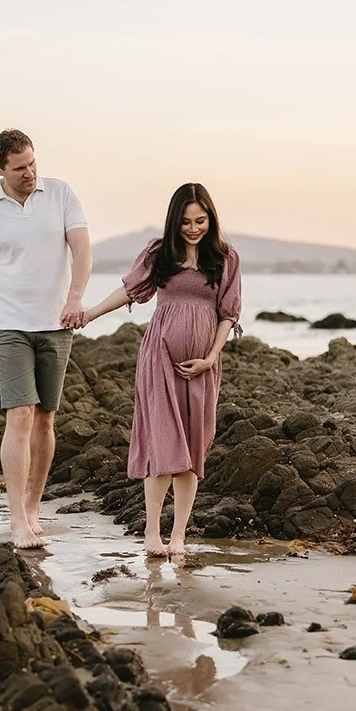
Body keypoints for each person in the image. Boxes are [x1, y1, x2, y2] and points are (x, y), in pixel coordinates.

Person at [82, 183, 241, 559]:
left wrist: (210, 358)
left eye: (201, 220)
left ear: (211, 219)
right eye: (186, 221)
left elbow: (228, 314)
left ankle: (179, 537)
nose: (193, 228)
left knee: (192, 451)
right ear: (175, 220)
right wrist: (90, 314)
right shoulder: (159, 253)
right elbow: (130, 291)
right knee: (164, 445)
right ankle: (152, 533)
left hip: (203, 367)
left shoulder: (225, 257)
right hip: (160, 360)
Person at [0, 129, 91, 550]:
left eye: (33, 163)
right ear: (0, 169)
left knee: (47, 418)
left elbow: (83, 250)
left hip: (57, 324)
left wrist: (75, 297)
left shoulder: (61, 194)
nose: (30, 172)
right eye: (19, 168)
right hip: (10, 326)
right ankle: (16, 518)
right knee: (20, 415)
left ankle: (33, 507)